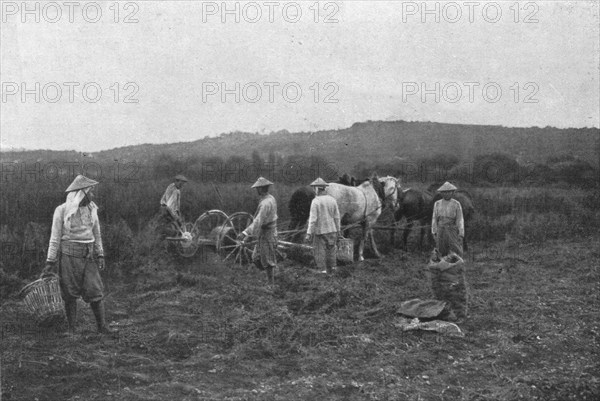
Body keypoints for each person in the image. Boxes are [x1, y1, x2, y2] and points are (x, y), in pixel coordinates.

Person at [40, 175, 115, 335]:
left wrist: (100, 254)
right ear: (81, 194)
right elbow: (54, 238)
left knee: (95, 291)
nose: (93, 196)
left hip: (88, 257)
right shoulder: (61, 210)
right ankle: (71, 329)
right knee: (69, 293)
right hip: (68, 257)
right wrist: (50, 261)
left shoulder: (92, 209)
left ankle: (102, 326)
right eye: (91, 192)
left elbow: (97, 233)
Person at [237, 177, 278, 286]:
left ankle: (271, 284)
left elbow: (258, 221)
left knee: (267, 259)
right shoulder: (270, 198)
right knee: (255, 257)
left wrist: (244, 233)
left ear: (261, 189)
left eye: (257, 189)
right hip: (264, 231)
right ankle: (271, 271)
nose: (256, 191)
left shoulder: (265, 203)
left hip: (267, 232)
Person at [305, 178, 342, 274]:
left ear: (317, 189)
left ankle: (322, 271)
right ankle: (333, 269)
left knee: (319, 251)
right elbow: (337, 217)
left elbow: (313, 219)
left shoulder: (316, 201)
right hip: (332, 230)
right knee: (331, 250)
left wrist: (309, 233)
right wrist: (338, 230)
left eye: (314, 188)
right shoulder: (332, 200)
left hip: (320, 231)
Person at [431, 181, 464, 257]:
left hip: (451, 229)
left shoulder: (456, 204)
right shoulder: (437, 203)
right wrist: (434, 231)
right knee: (441, 248)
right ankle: (442, 264)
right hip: (441, 229)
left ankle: (455, 264)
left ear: (452, 193)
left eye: (449, 192)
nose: (446, 194)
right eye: (444, 192)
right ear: (441, 193)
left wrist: (461, 233)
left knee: (454, 248)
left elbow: (460, 219)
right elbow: (434, 218)